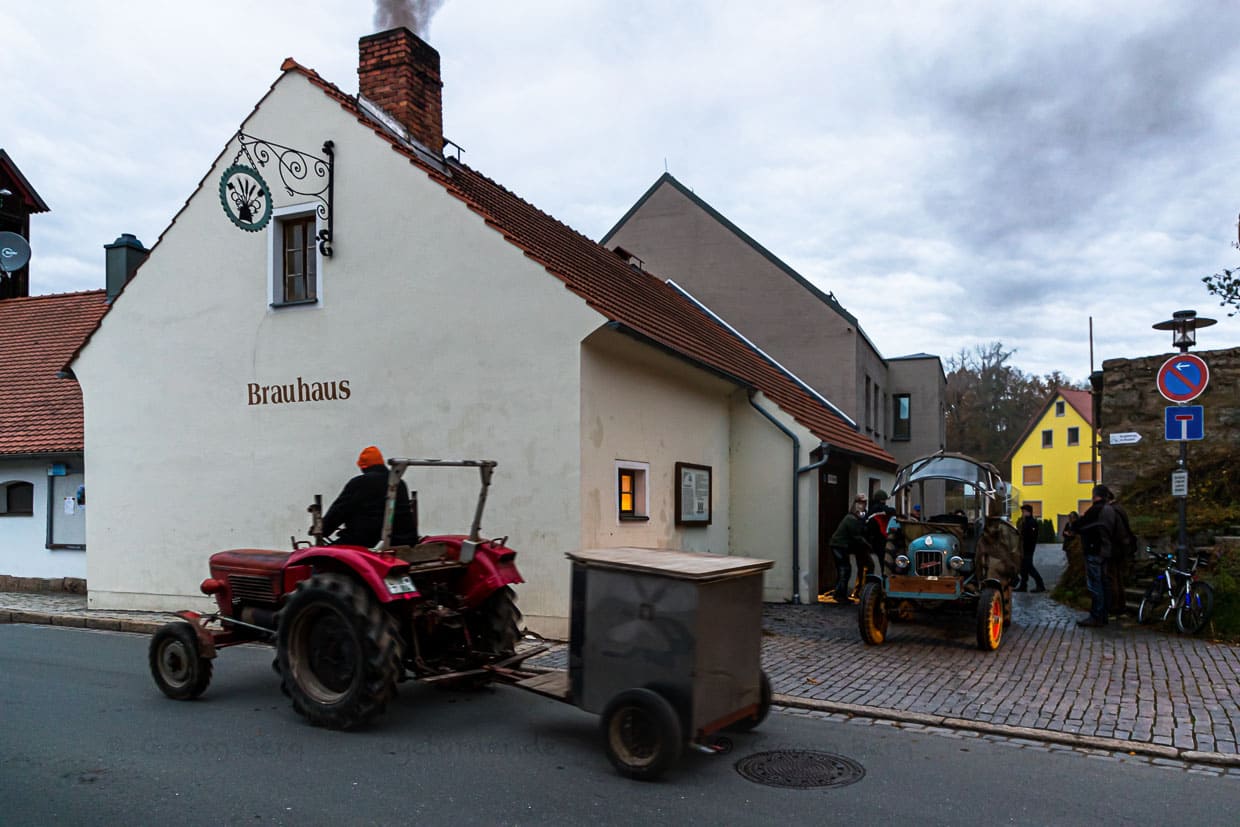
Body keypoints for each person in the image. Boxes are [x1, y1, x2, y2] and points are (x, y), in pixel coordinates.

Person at [321, 446, 417, 548]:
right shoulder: (399, 483)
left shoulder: (359, 483)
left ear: (363, 467)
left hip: (369, 542)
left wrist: (323, 530)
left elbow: (339, 511)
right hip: (405, 540)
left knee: (324, 557)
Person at [1069, 484, 1118, 628]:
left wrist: (1074, 526)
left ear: (1095, 495)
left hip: (1095, 550)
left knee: (1095, 584)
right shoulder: (1110, 509)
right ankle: (1103, 614)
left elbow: (1079, 525)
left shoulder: (1096, 509)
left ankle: (1096, 616)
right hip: (1106, 550)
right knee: (1104, 583)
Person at [828, 495, 869, 604]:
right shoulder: (851, 519)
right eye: (862, 503)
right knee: (844, 569)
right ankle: (839, 595)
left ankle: (839, 593)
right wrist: (868, 545)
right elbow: (856, 536)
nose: (863, 505)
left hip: (840, 546)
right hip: (839, 546)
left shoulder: (853, 517)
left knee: (844, 569)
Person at [1107, 491, 1136, 617]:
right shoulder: (1120, 508)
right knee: (1119, 578)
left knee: (1113, 579)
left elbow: (1115, 531)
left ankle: (1115, 607)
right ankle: (1121, 606)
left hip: (1114, 549)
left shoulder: (1111, 511)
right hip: (1121, 549)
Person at [864, 489, 896, 586]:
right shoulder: (879, 509)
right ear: (882, 500)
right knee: (884, 562)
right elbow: (891, 511)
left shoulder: (870, 510)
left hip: (873, 540)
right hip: (880, 540)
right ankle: (885, 583)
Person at [1014, 504, 1046, 592]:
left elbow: (1031, 536)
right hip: (1023, 547)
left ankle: (1040, 584)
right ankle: (1023, 586)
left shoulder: (1032, 522)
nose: (1022, 513)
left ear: (1028, 512)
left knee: (1029, 567)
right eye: (1022, 512)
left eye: (1024, 512)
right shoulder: (1025, 522)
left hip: (1028, 548)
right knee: (1023, 567)